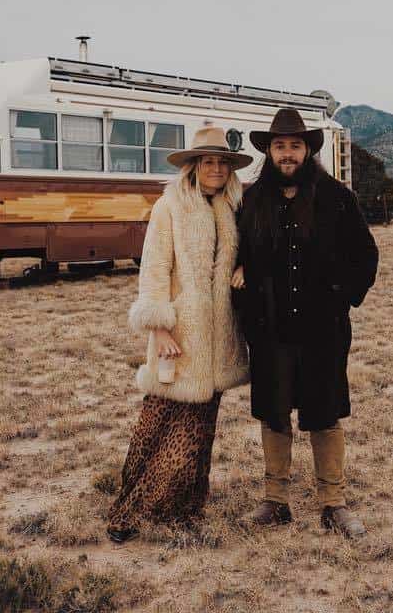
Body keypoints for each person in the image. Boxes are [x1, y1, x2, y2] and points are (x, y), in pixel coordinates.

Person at [233, 107, 378, 538]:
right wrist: (243, 280)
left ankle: (333, 504)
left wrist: (341, 296)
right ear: (270, 152)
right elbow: (237, 253)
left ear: (308, 149)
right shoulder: (252, 200)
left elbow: (365, 257)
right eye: (279, 146)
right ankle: (275, 502)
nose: (287, 153)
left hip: (323, 332)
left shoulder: (337, 198)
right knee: (274, 415)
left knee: (324, 414)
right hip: (271, 331)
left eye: (295, 145)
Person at [107, 127, 253, 544]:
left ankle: (185, 508)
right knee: (160, 423)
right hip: (180, 333)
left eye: (222, 162)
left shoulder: (229, 207)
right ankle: (132, 509)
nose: (216, 168)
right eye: (208, 161)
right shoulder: (169, 206)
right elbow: (154, 268)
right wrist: (160, 325)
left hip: (218, 335)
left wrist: (244, 269)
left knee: (199, 429)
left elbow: (242, 255)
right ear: (193, 166)